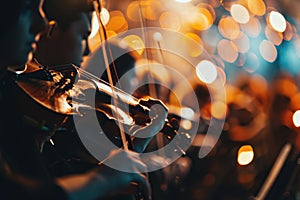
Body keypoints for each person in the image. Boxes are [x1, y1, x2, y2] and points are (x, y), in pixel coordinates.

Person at [0, 0, 166, 199]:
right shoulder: (15, 98)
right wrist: (104, 179)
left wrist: (136, 145)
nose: (88, 51)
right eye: (82, 37)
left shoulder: (38, 111)